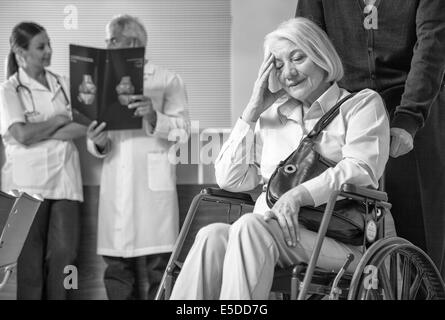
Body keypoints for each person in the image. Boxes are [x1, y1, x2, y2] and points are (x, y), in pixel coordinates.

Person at [170, 17, 390, 300]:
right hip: (263, 235)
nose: (289, 72)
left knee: (249, 226)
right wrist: (252, 110)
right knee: (211, 236)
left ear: (322, 57)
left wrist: (298, 195)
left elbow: (361, 168)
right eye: (278, 64)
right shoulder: (272, 118)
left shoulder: (361, 105)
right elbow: (229, 177)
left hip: (336, 238)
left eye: (297, 58)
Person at [296, 0, 445, 277]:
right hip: (345, 108)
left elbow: (431, 47)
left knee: (416, 223)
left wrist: (409, 118)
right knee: (340, 209)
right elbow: (306, 39)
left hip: (411, 105)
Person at [86, 14, 190, 300]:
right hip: (116, 187)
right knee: (117, 270)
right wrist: (97, 142)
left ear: (132, 42)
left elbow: (183, 132)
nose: (106, 47)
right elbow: (97, 141)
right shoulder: (99, 83)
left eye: (111, 41)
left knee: (161, 270)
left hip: (152, 191)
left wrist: (154, 116)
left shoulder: (167, 80)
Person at [0, 22, 86, 299]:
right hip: (27, 185)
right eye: (41, 46)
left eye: (49, 44)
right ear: (20, 51)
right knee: (29, 264)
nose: (48, 51)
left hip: (65, 180)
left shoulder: (62, 82)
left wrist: (45, 128)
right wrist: (59, 121)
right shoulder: (9, 90)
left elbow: (83, 126)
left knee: (65, 257)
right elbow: (21, 135)